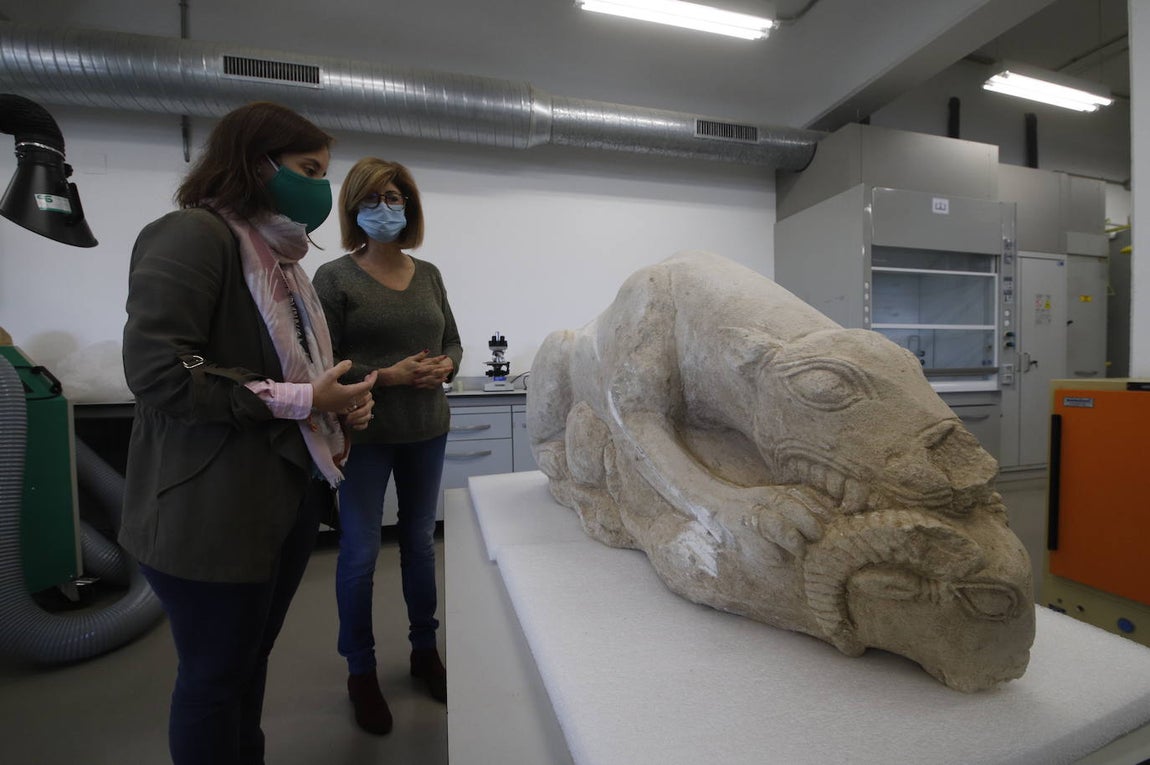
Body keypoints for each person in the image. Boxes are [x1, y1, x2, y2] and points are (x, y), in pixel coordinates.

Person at [119, 101, 378, 765]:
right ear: (254, 164)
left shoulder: (285, 264)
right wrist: (301, 398)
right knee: (212, 678)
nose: (322, 187)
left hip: (277, 503)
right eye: (309, 169)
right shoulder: (192, 236)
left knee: (246, 664)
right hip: (208, 512)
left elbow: (294, 375)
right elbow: (157, 372)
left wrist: (334, 407)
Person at [313, 157, 461, 734]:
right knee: (359, 553)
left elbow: (451, 337)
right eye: (374, 199)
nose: (386, 208)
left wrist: (448, 364)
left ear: (410, 207)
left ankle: (425, 652)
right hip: (366, 433)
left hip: (428, 428)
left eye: (396, 198)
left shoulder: (429, 275)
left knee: (422, 544)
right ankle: (361, 671)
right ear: (354, 208)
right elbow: (324, 365)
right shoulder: (335, 278)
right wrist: (390, 376)